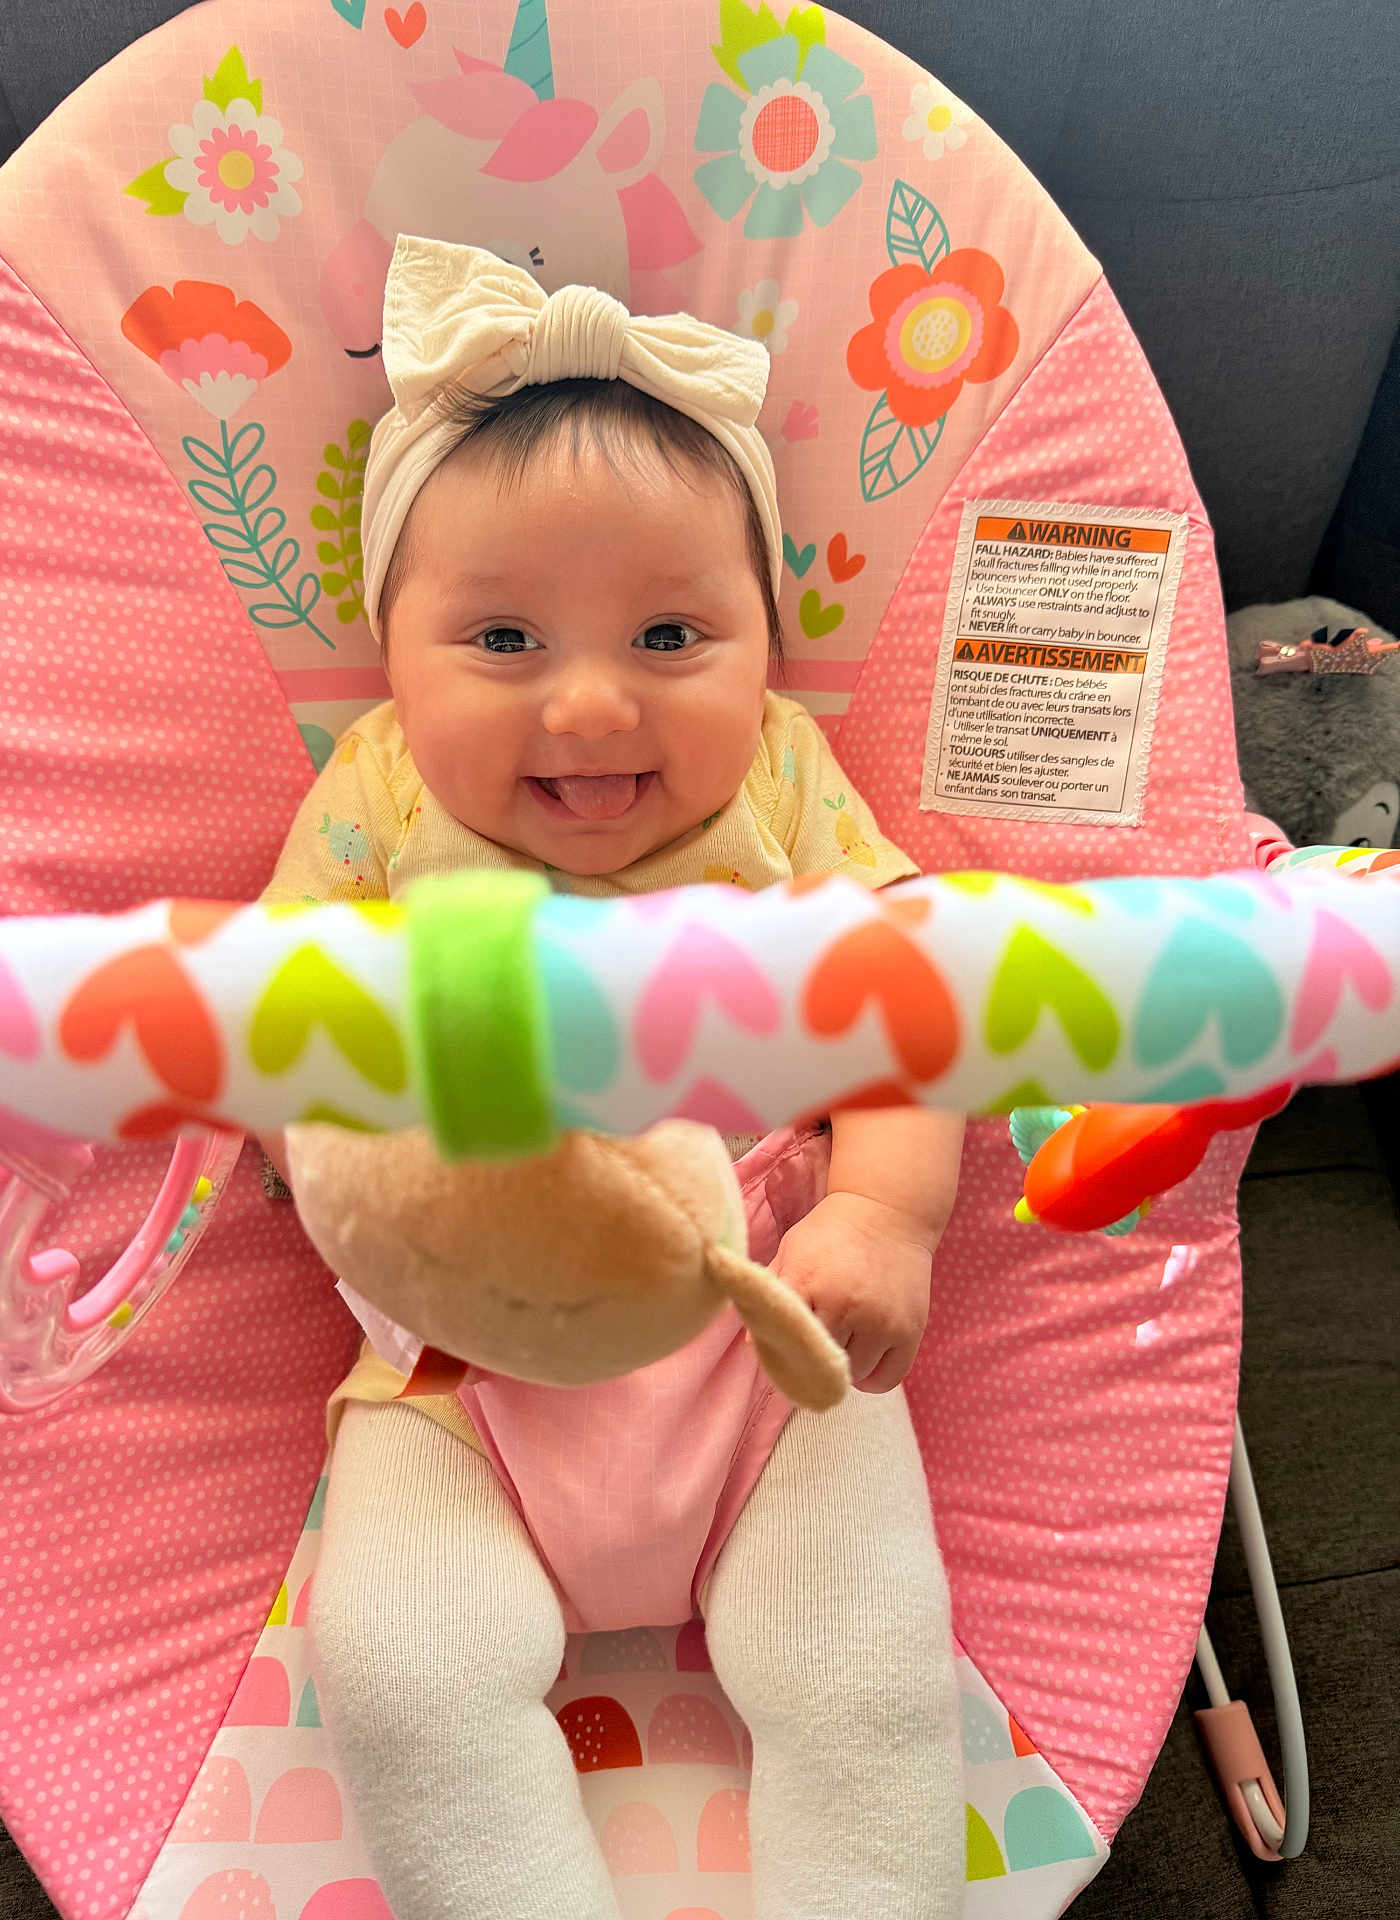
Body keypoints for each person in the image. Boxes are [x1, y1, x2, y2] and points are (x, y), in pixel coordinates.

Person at [257, 237, 965, 1920]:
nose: (589, 704)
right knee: (401, 1674)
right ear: (393, 661)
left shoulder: (785, 783)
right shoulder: (376, 800)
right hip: (461, 1372)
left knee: (866, 1676)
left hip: (766, 1336)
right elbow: (270, 1026)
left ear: (763, 653)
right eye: (502, 638)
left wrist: (883, 1217)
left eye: (670, 634)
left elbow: (910, 1003)